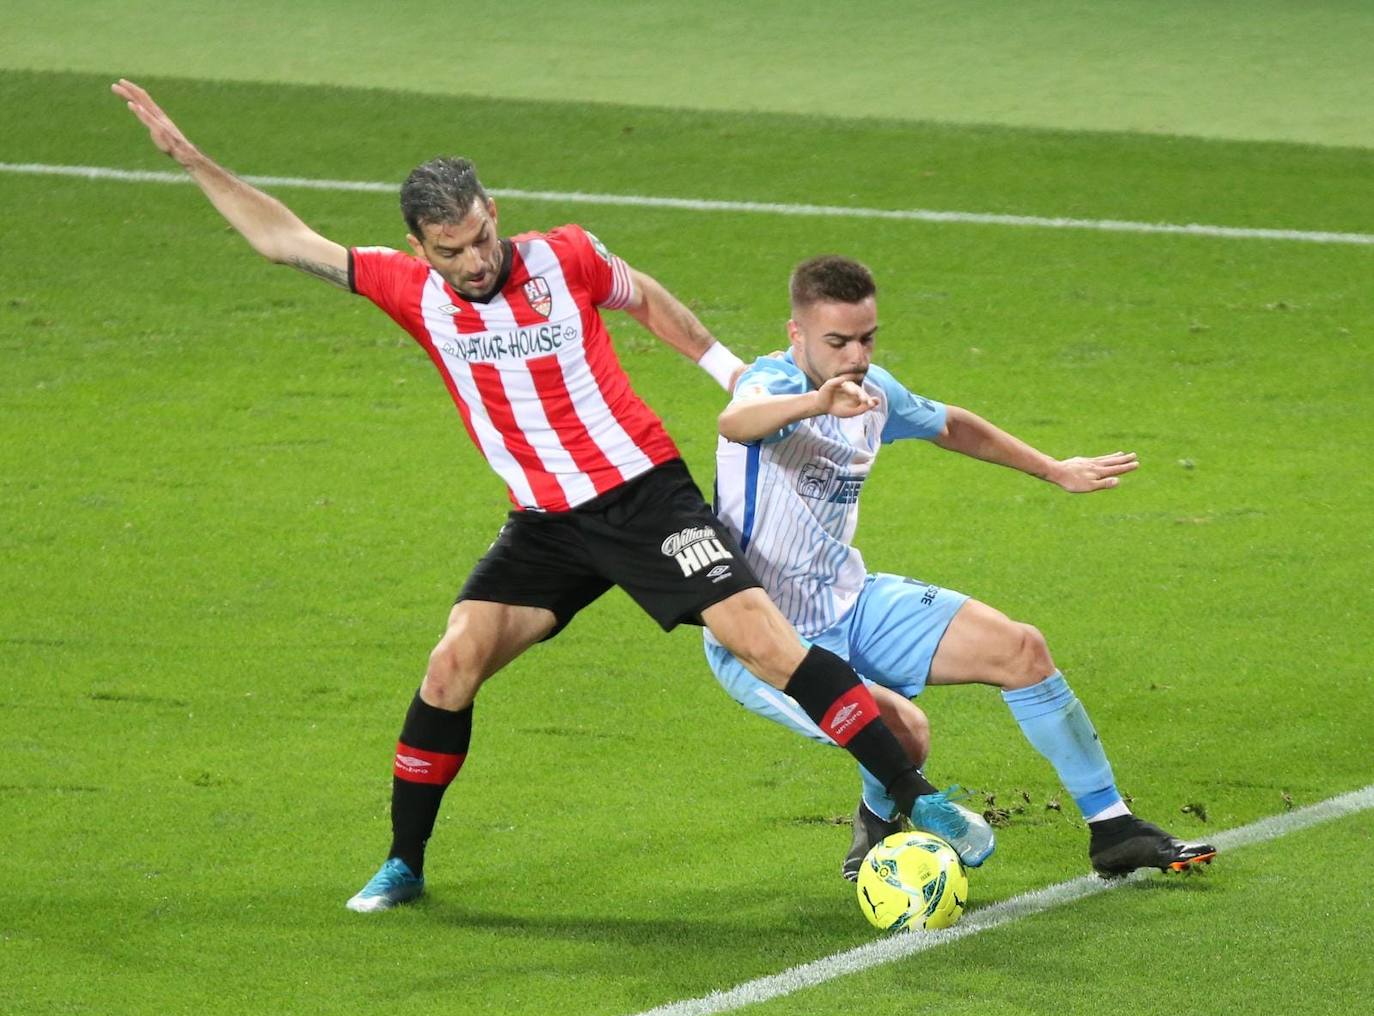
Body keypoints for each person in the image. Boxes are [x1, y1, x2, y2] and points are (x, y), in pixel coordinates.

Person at [112, 82, 995, 912]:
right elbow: (283, 240)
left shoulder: (564, 257)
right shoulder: (408, 288)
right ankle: (403, 865)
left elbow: (643, 295)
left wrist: (726, 370)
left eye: (481, 236)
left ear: (493, 213)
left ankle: (920, 797)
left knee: (764, 640)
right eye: (450, 249)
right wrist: (190, 155)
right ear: (421, 246)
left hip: (645, 496)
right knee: (451, 663)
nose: (473, 259)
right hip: (546, 524)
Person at [706, 254, 1218, 881]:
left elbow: (949, 424)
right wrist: (816, 402)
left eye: (866, 338)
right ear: (797, 334)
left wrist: (1053, 469)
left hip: (850, 600)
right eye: (836, 341)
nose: (854, 356)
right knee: (904, 732)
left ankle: (1112, 828)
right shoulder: (772, 384)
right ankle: (880, 816)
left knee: (1021, 649)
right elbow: (736, 421)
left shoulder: (874, 391)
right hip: (761, 638)